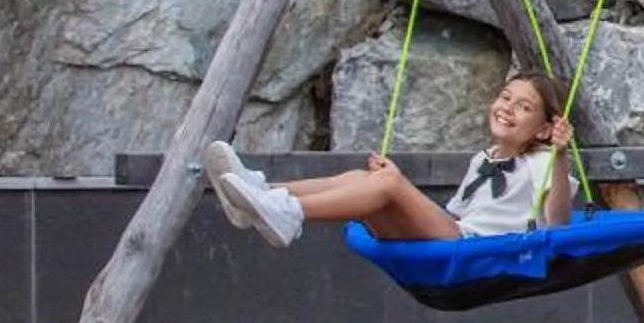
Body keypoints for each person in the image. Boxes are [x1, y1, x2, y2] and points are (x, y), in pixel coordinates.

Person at [203, 75, 574, 249]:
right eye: (505, 97)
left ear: (543, 130)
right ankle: (259, 195)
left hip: (472, 251)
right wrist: (402, 199)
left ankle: (289, 212)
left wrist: (560, 157)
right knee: (361, 177)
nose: (508, 107)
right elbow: (456, 216)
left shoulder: (542, 162)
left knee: (389, 182)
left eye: (523, 107)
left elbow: (557, 223)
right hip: (450, 236)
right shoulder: (484, 159)